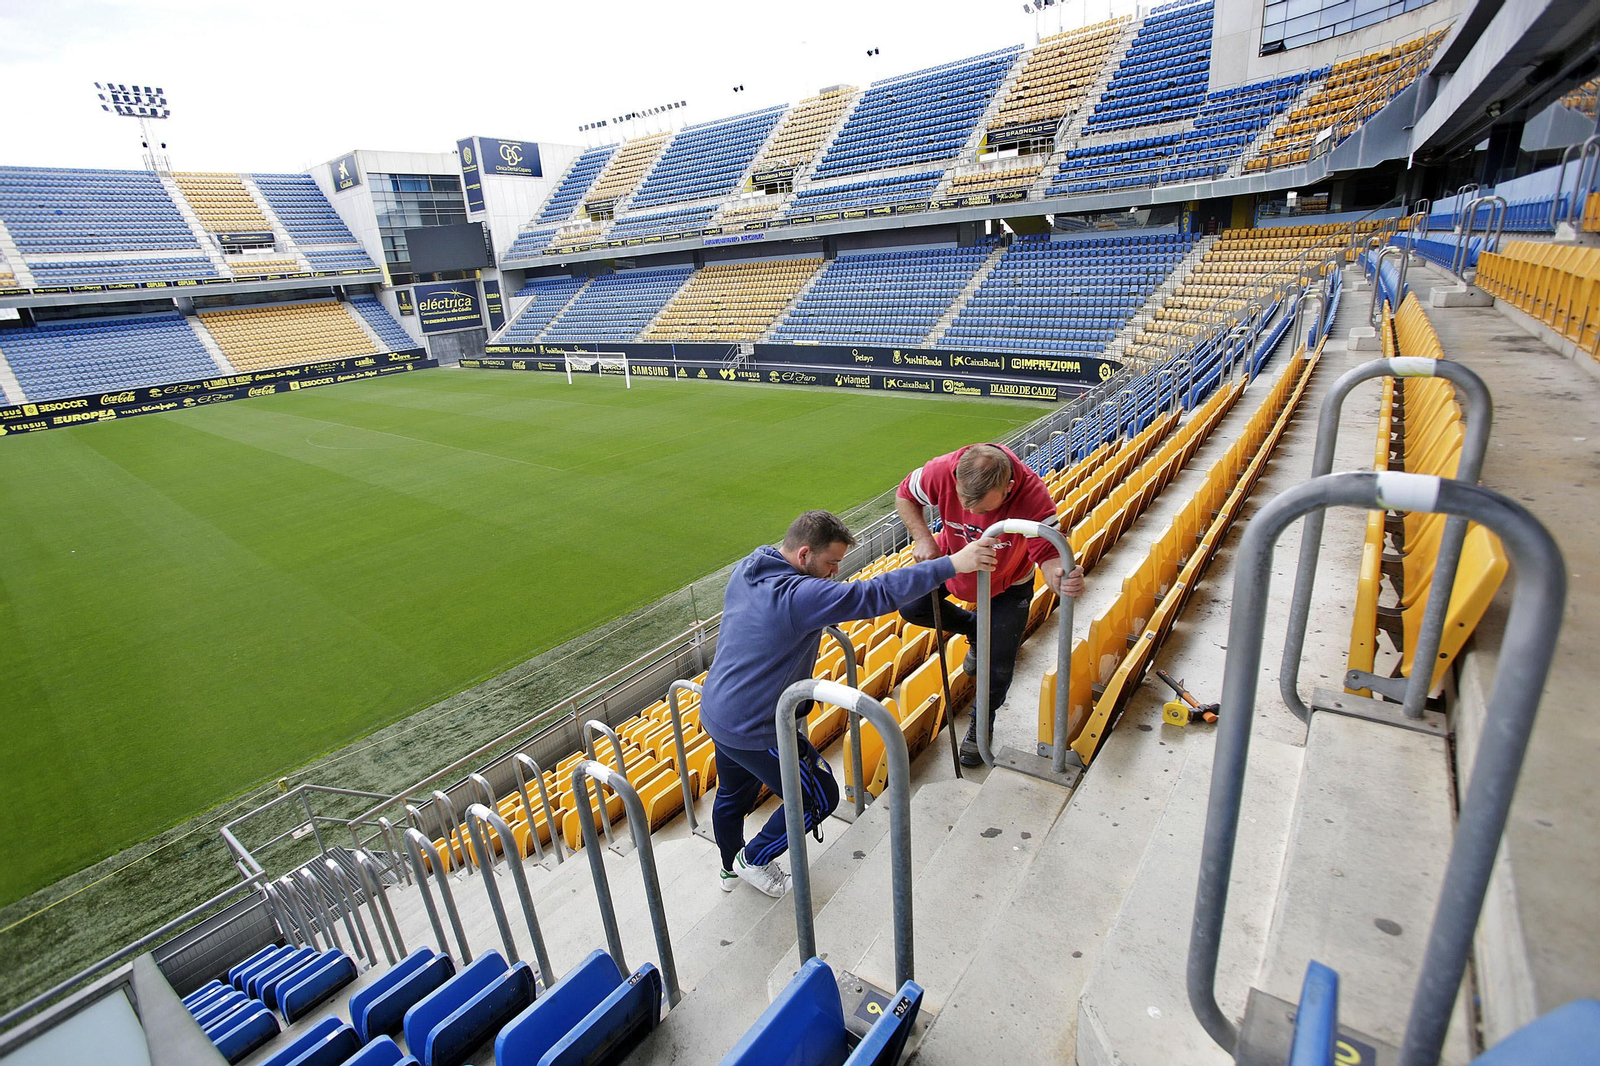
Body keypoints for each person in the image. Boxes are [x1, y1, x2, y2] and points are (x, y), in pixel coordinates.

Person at [700, 509, 997, 897]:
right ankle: (752, 860)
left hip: (717, 710)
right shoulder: (800, 597)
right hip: (755, 726)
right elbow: (874, 595)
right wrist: (955, 562)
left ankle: (727, 869)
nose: (834, 572)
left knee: (731, 796)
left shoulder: (752, 564)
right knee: (819, 796)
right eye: (830, 563)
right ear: (804, 554)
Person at [895, 443, 1086, 766]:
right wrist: (924, 538)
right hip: (955, 560)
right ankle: (975, 631)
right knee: (911, 605)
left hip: (1008, 581)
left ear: (1008, 489)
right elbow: (904, 495)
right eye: (962, 501)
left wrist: (1062, 577)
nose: (971, 514)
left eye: (982, 510)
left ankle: (981, 725)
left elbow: (1050, 555)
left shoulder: (1033, 497)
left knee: (998, 665)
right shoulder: (943, 467)